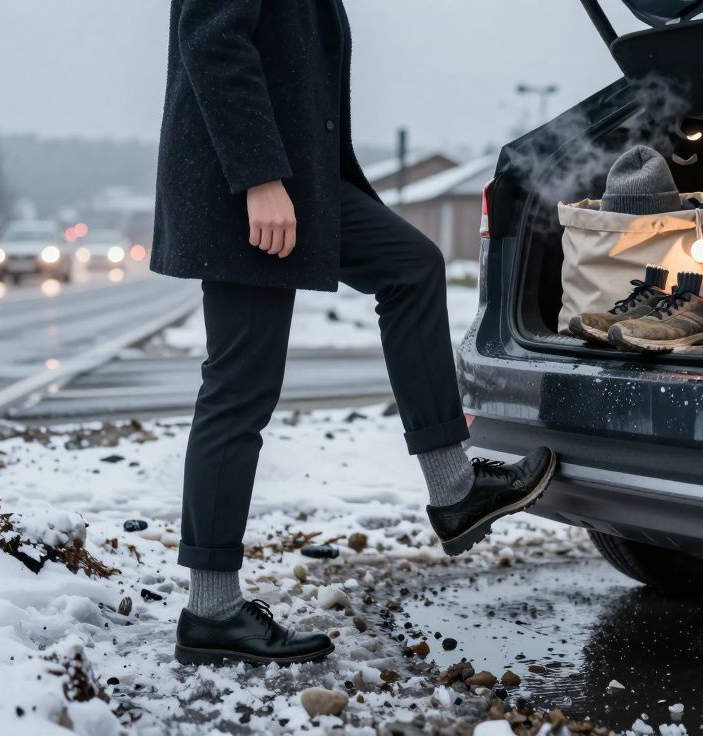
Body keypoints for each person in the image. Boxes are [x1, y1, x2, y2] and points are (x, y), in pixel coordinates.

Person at [151, 0, 557, 667]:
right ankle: (212, 610)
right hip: (251, 184)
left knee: (411, 268)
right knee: (240, 387)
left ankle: (453, 487)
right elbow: (213, 39)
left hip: (297, 182)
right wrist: (258, 177)